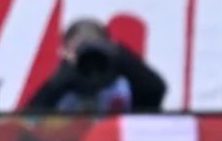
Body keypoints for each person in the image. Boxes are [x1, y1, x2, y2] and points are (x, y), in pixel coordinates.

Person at [25, 18, 167, 113]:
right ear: (64, 51)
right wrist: (67, 71)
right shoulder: (59, 88)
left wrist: (119, 54)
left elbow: (155, 91)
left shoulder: (124, 86)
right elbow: (31, 118)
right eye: (77, 48)